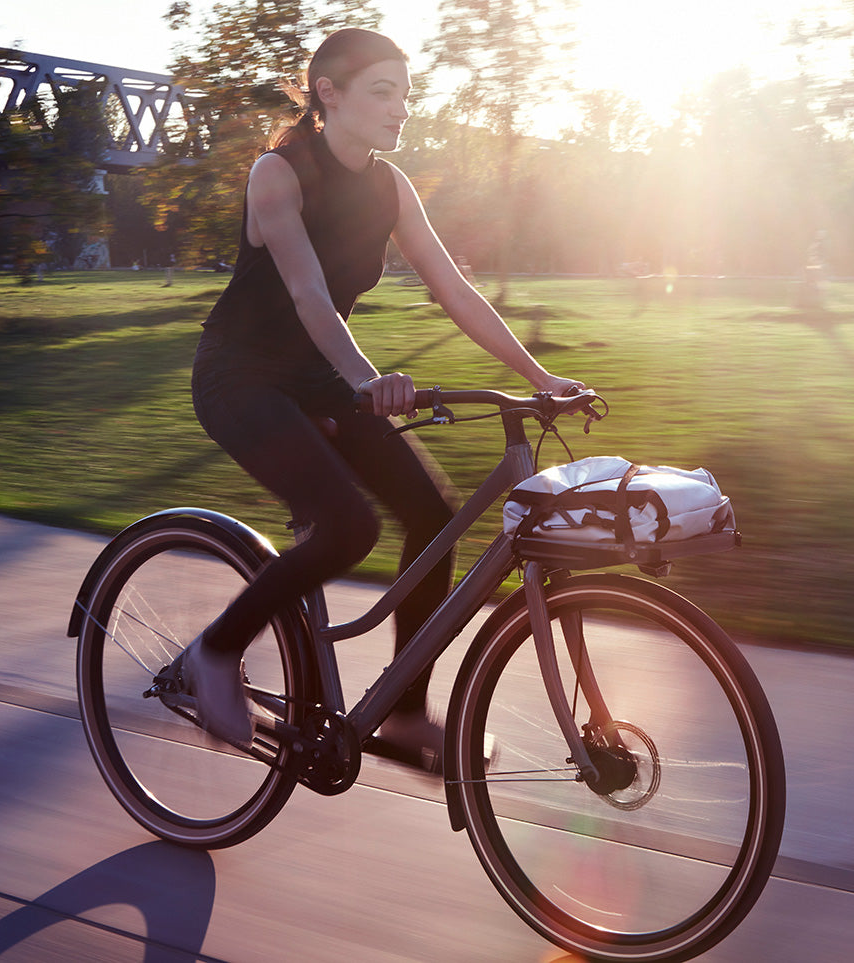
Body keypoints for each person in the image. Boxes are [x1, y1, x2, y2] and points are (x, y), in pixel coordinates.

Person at [182, 28, 583, 767]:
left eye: (406, 92)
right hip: (239, 375)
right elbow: (307, 293)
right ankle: (213, 650)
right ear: (328, 94)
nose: (402, 108)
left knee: (433, 514)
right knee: (348, 529)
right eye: (382, 91)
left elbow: (454, 288)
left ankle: (402, 715)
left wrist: (538, 376)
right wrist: (366, 378)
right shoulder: (279, 173)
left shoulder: (390, 186)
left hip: (318, 375)